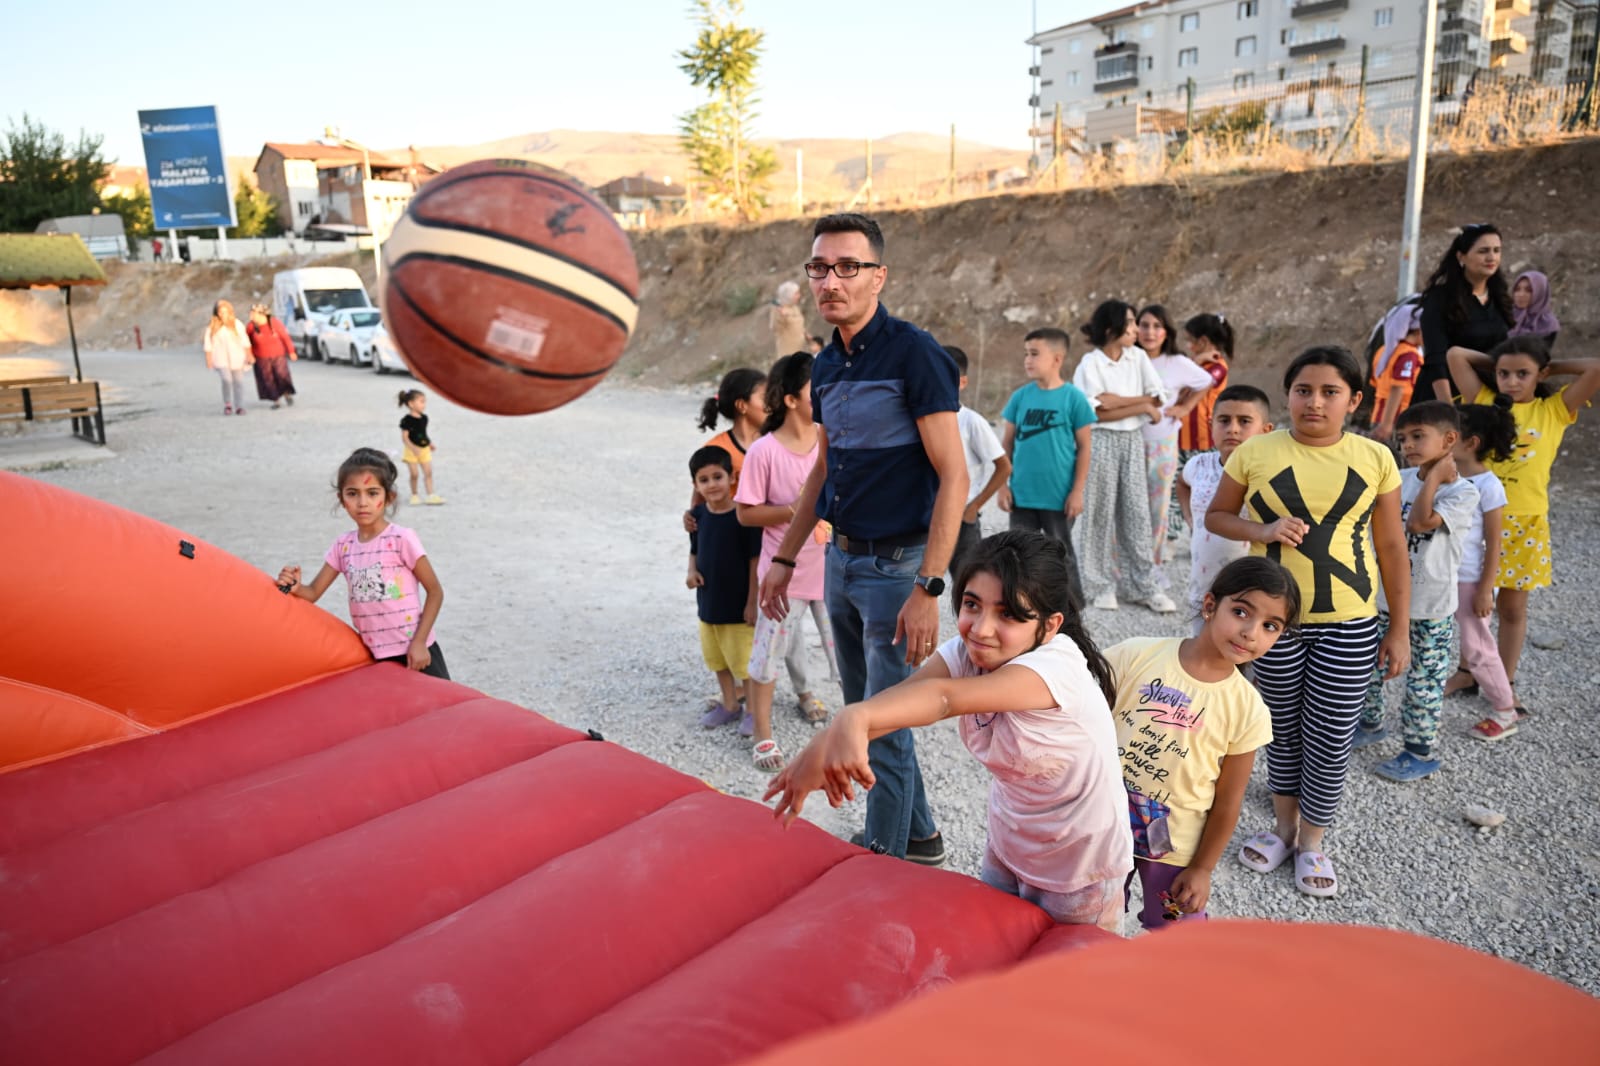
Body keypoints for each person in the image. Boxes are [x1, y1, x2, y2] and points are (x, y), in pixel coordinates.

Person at [765, 531, 1131, 932]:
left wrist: (851, 720)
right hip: (1011, 843)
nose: (981, 628)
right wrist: (825, 743)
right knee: (995, 961)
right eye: (972, 605)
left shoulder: (1056, 667)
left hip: (1081, 868)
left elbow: (941, 699)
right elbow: (900, 703)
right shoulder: (971, 650)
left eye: (1008, 614)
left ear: (1049, 626)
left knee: (1066, 984)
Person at [758, 212, 969, 864]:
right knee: (866, 712)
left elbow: (955, 474)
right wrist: (787, 557)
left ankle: (882, 860)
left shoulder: (915, 354)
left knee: (880, 725)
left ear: (880, 276)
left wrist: (929, 586)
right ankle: (922, 837)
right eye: (819, 267)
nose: (831, 280)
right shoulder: (826, 366)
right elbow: (824, 467)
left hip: (897, 569)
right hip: (842, 559)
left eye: (848, 266)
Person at [1207, 345, 1411, 898]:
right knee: (1280, 730)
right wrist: (1264, 530)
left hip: (1350, 620)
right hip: (1275, 623)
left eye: (1329, 392)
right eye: (1303, 390)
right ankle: (1281, 830)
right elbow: (1217, 515)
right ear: (1288, 394)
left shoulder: (1375, 458)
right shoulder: (1256, 452)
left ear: (1354, 400)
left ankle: (1313, 842)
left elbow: (1392, 545)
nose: (1314, 402)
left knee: (1331, 734)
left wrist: (1399, 629)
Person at [1109, 557, 1299, 930]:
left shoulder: (1248, 709)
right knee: (1090, 920)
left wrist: (1202, 868)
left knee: (1178, 939)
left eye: (1270, 626)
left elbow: (1229, 801)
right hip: (1101, 826)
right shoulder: (1136, 655)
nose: (1251, 632)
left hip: (1174, 848)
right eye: (1241, 612)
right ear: (1210, 606)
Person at [1446, 338, 1600, 715]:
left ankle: (1505, 681)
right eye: (1504, 373)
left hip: (1526, 524)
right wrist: (1499, 362)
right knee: (1470, 604)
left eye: (1523, 374)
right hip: (1475, 521)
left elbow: (1595, 366)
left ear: (1540, 375)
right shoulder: (1482, 400)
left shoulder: (1555, 409)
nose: (1511, 381)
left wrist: (1551, 365)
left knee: (1512, 609)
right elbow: (1455, 355)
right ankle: (1467, 671)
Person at [1353, 402, 1479, 782]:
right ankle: (1371, 723)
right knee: (1368, 667)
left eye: (1418, 436)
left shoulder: (1463, 492)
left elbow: (1420, 522)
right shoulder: (1399, 478)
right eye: (1403, 438)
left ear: (1449, 440)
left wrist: (1436, 479)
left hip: (1431, 608)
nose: (1407, 444)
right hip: (1383, 598)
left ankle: (1418, 751)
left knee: (1423, 679)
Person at [735, 353, 840, 766]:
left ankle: (847, 728)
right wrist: (793, 510)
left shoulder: (832, 439)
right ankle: (762, 733)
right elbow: (745, 512)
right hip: (786, 575)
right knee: (767, 657)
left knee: (845, 656)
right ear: (793, 398)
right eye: (818, 388)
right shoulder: (764, 451)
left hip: (833, 572)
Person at [276, 448, 449, 678]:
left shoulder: (401, 539)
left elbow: (435, 591)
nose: (362, 502)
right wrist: (296, 587)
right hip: (376, 657)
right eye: (353, 493)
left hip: (416, 654)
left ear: (388, 497)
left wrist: (419, 643)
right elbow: (314, 592)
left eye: (372, 493)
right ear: (342, 499)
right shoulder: (343, 546)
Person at [1071, 300, 1175, 613]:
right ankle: (1099, 585)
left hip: (1131, 440)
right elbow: (1094, 411)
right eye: (1130, 324)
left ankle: (1143, 586)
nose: (1136, 330)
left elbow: (1158, 399)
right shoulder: (1091, 363)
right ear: (1109, 329)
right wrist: (1141, 406)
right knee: (1098, 514)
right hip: (1099, 441)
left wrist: (1128, 404)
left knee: (1136, 513)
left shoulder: (1137, 357)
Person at [997, 328, 1095, 607]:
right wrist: (1002, 486)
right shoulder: (1020, 397)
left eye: (1035, 354)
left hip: (1058, 496)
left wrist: (1077, 492)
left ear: (1057, 359)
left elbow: (1085, 447)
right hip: (1023, 495)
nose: (1027, 359)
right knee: (1018, 552)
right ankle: (1020, 603)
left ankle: (1072, 607)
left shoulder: (1073, 398)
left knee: (1059, 552)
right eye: (1026, 353)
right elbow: (1006, 446)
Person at [1443, 401, 1520, 740]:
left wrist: (1486, 588)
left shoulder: (1489, 487)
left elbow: (1494, 543)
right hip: (1442, 576)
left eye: (1450, 434)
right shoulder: (1446, 476)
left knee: (1477, 647)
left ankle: (1506, 712)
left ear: (1470, 442)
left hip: (1470, 580)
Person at [1176, 385, 1274, 632]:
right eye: (1224, 420)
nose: (1233, 428)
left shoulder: (1269, 473)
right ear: (1211, 424)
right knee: (1199, 651)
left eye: (1244, 421)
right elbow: (1182, 482)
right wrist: (1189, 517)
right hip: (1203, 584)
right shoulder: (1199, 464)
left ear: (1266, 430)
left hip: (1249, 589)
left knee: (1242, 654)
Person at [1136, 304, 1216, 584]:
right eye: (1144, 325)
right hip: (1129, 443)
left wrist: (1184, 407)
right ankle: (1122, 570)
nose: (1149, 332)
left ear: (1166, 331)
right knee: (1126, 508)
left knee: (1157, 509)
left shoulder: (1175, 362)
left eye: (1157, 326)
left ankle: (1153, 567)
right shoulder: (1129, 359)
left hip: (1162, 443)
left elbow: (1206, 381)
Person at [687, 445, 762, 733]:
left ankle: (755, 711)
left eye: (717, 477)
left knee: (744, 662)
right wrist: (691, 571)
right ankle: (730, 704)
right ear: (695, 485)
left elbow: (755, 561)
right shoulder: (698, 515)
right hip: (708, 602)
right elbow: (694, 550)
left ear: (732, 477)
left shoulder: (744, 517)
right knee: (716, 658)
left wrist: (752, 601)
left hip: (738, 604)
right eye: (703, 480)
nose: (711, 485)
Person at [1418, 223, 1513, 403]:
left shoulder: (1500, 299)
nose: (1491, 257)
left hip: (1486, 398)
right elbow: (1435, 358)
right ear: (1462, 257)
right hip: (1444, 397)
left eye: (1496, 250)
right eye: (1483, 251)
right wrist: (1447, 409)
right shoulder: (1440, 298)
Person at [946, 345, 1011, 580]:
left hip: (962, 519)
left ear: (962, 382)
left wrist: (974, 506)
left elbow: (1003, 466)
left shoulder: (971, 422)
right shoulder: (922, 420)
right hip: (927, 516)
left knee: (967, 583)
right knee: (919, 584)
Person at [685, 367, 768, 531]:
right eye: (765, 398)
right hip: (734, 542)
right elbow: (699, 506)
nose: (772, 404)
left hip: (777, 541)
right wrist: (690, 518)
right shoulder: (715, 450)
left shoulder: (778, 443)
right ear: (742, 405)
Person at [1367, 303, 1424, 441]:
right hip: (1394, 421)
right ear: (1417, 330)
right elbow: (1397, 388)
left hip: (1378, 416)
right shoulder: (1408, 355)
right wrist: (1387, 425)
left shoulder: (1384, 351)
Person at [203, 299, 252, 416]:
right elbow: (208, 344)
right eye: (221, 312)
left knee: (238, 382)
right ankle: (228, 403)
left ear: (230, 312)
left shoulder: (237, 324)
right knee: (227, 380)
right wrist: (208, 359)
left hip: (237, 357)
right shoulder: (212, 327)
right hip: (221, 358)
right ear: (217, 313)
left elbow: (245, 340)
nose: (223, 315)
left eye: (225, 312)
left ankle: (239, 406)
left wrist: (249, 354)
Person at [245, 303, 298, 410]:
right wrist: (249, 355)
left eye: (253, 313)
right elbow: (247, 343)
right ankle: (276, 400)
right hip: (261, 357)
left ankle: (287, 393)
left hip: (278, 355)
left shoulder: (274, 323)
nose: (251, 315)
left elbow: (285, 337)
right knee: (267, 379)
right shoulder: (251, 326)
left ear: (262, 314)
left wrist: (291, 351)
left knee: (281, 375)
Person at [397, 389, 443, 505]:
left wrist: (429, 443)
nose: (424, 405)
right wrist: (413, 448)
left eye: (424, 402)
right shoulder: (406, 420)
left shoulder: (424, 418)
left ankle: (430, 495)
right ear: (411, 404)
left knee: (428, 473)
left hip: (424, 449)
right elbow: (405, 438)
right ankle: (414, 495)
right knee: (414, 474)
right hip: (411, 450)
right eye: (421, 402)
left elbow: (422, 433)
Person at [1508, 270, 1560, 348]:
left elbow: (1539, 354)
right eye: (1517, 289)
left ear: (1540, 293)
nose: (1521, 295)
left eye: (1529, 290)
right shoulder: (1505, 315)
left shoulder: (1548, 324)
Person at [769, 280, 808, 356]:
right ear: (789, 295)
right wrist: (780, 315)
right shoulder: (778, 310)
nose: (799, 295)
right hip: (788, 353)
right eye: (796, 293)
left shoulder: (794, 307)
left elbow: (798, 324)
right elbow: (775, 327)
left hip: (800, 350)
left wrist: (806, 335)